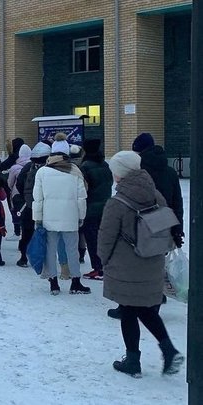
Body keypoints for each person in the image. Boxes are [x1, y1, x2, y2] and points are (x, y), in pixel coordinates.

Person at [99, 151, 184, 377]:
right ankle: (168, 350)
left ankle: (133, 361)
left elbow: (106, 237)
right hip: (153, 260)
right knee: (144, 308)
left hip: (125, 265)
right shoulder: (155, 195)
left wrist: (104, 260)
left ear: (120, 174)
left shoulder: (117, 203)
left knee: (128, 311)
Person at [107, 132, 184, 319]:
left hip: (139, 226)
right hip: (164, 224)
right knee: (157, 266)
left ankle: (127, 307)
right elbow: (177, 202)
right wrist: (177, 230)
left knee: (131, 268)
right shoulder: (170, 171)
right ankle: (154, 304)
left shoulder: (138, 172)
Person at [32, 133, 90, 295]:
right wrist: (81, 216)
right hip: (70, 217)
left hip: (49, 218)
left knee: (50, 250)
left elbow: (38, 199)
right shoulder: (74, 170)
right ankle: (75, 282)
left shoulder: (42, 172)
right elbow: (81, 198)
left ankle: (53, 283)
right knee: (72, 250)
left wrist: (38, 218)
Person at [79, 139, 113, 280]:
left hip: (91, 208)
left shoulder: (85, 166)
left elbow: (83, 188)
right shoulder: (105, 164)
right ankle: (105, 265)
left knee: (92, 239)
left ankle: (98, 268)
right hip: (105, 206)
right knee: (102, 237)